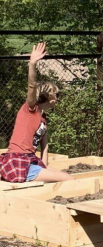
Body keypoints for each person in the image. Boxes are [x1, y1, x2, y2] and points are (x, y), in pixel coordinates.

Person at [0, 43, 73, 183]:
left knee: (60, 176)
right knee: (68, 179)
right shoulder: (30, 109)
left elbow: (44, 146)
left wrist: (44, 168)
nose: (58, 98)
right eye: (57, 95)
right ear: (49, 97)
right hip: (18, 161)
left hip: (30, 162)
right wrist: (32, 63)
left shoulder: (43, 118)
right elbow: (32, 85)